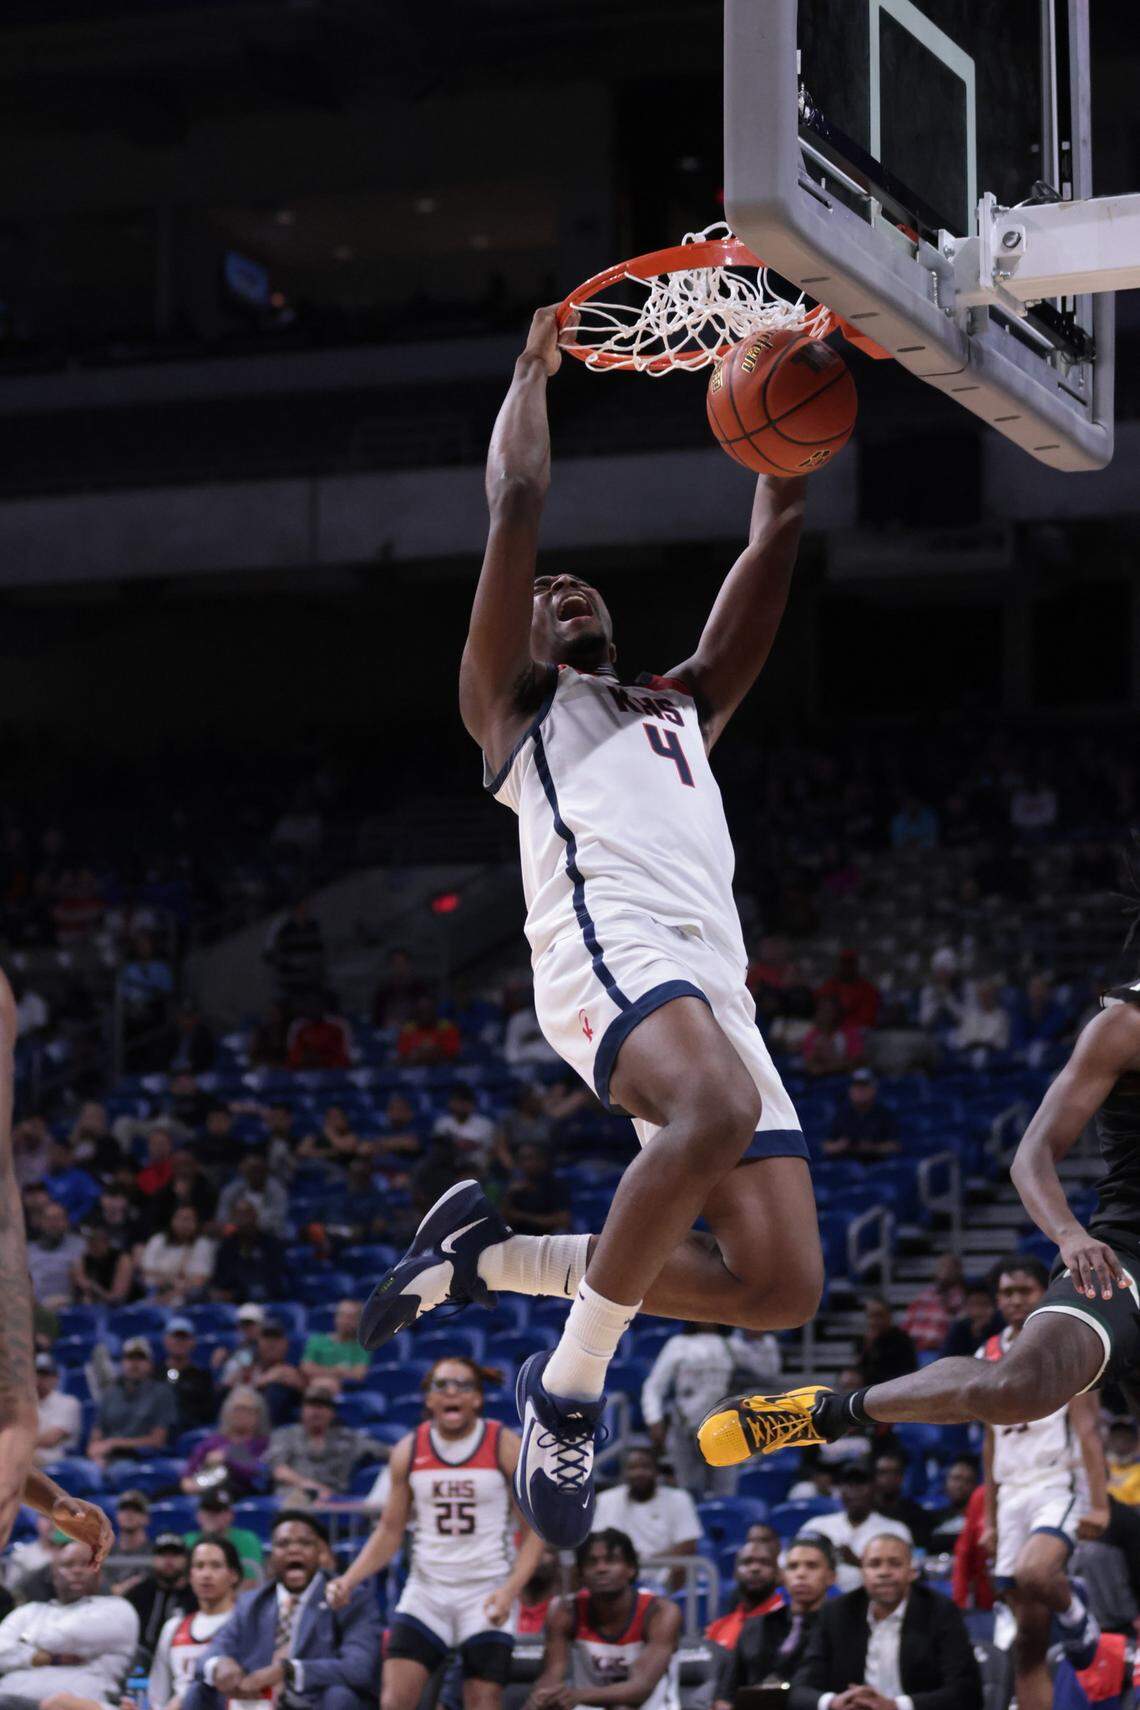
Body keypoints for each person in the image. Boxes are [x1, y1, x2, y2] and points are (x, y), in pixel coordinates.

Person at [361, 306, 822, 1551]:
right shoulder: (514, 707)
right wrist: (529, 369)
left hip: (710, 990)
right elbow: (516, 506)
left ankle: (491, 1258)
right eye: (547, 593)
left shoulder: (679, 703)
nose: (563, 588)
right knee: (713, 1114)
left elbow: (776, 526)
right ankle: (565, 1391)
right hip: (602, 954)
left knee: (780, 1290)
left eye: (582, 585)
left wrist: (816, 363)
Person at [699, 984, 1140, 1592]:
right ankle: (827, 1413)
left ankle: (1087, 1635)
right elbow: (1031, 1154)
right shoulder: (1126, 1022)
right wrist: (1068, 1234)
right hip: (1124, 1261)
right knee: (1016, 1386)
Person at [325, 1355, 544, 1710]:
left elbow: (535, 1531)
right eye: (442, 1385)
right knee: (395, 1700)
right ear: (428, 1399)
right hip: (427, 1592)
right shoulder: (408, 1449)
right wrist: (349, 1579)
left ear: (477, 1398)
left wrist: (510, 1591)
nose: (451, 1391)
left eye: (463, 1385)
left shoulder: (502, 1443)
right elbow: (389, 1531)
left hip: (486, 1589)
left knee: (483, 1701)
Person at [972, 1257, 1107, 1710]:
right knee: (1027, 1641)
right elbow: (990, 1446)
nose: (1013, 1300)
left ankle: (1077, 1614)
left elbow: (1089, 1430)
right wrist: (989, 1520)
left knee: (1035, 1572)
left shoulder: (1071, 1343)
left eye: (1023, 1291)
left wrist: (1100, 1504)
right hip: (1010, 1492)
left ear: (1042, 1293)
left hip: (1057, 1482)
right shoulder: (984, 1355)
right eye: (1005, 1292)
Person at [184, 1512, 381, 1710]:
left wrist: (289, 1671)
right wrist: (219, 1664)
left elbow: (359, 1667)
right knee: (199, 1690)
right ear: (272, 1555)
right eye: (283, 1544)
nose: (294, 1550)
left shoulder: (348, 1598)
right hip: (257, 1699)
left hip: (315, 1700)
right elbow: (211, 1654)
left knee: (340, 1696)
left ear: (319, 1552)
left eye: (305, 1543)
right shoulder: (251, 1602)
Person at [788, 1533, 982, 1710]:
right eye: (874, 1564)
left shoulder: (940, 1612)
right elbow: (799, 1689)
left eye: (895, 1564)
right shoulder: (837, 1613)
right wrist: (833, 1702)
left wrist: (896, 1706)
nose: (884, 1572)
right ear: (862, 1573)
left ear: (912, 1571)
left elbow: (965, 1692)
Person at [525, 1528, 681, 1710]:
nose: (601, 1569)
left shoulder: (660, 1612)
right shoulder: (565, 1612)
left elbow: (640, 1688)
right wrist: (544, 1695)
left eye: (611, 1561)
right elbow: (553, 1672)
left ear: (631, 1568)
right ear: (581, 1573)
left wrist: (575, 1695)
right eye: (592, 1562)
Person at [0, 1540, 138, 1705]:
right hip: (9, 1699)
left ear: (99, 1573)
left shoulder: (117, 1609)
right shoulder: (29, 1611)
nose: (77, 1570)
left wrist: (24, 1641)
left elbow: (69, 1637)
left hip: (79, 1703)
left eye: (86, 1564)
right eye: (68, 1565)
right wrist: (40, 1657)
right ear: (53, 1574)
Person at [716, 1535, 836, 1704]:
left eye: (812, 1566)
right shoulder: (754, 1627)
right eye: (793, 1567)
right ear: (782, 1576)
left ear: (831, 1576)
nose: (801, 1574)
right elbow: (726, 1695)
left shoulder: (840, 1629)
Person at [148, 1536, 243, 1710]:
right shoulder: (174, 1628)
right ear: (190, 1576)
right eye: (199, 1566)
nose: (206, 1574)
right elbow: (159, 1695)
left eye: (216, 1566)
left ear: (233, 1575)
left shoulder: (247, 1625)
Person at [640, 1324, 735, 1498]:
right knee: (687, 1491)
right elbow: (653, 1386)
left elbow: (768, 1371)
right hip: (686, 1424)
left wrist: (762, 1338)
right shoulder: (678, 1344)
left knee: (725, 1492)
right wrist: (654, 1418)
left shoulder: (728, 1344)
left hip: (723, 1428)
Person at [593, 1445, 700, 1594]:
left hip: (665, 1575)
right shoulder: (606, 1500)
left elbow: (688, 1545)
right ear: (625, 1473)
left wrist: (648, 1560)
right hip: (619, 1574)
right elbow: (597, 1542)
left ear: (656, 1472)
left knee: (680, 1569)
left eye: (645, 1467)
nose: (639, 1473)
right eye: (632, 1468)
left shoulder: (679, 1498)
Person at [798, 1463, 911, 1594]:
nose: (855, 1491)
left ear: (874, 1489)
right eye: (849, 1484)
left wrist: (858, 1562)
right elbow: (790, 1565)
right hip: (823, 1602)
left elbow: (906, 1575)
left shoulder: (895, 1530)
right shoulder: (817, 1526)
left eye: (861, 1484)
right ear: (840, 1491)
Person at [267, 1384, 385, 1502]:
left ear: (332, 1412)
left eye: (322, 1406)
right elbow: (279, 1470)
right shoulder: (285, 1435)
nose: (316, 1412)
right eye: (311, 1406)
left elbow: (383, 1450)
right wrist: (311, 1486)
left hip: (334, 1502)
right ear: (302, 1410)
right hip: (292, 1497)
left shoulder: (348, 1438)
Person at [87, 1337, 178, 1466]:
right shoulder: (111, 1393)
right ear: (122, 1362)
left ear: (150, 1364)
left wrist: (114, 1443)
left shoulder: (162, 1393)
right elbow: (97, 1433)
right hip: (104, 1459)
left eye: (140, 1358)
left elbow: (158, 1440)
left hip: (139, 1459)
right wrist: (95, 1452)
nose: (134, 1363)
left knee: (121, 1469)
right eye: (130, 1358)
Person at [180, 1387, 270, 1500]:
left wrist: (228, 1457)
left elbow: (258, 1473)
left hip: (242, 1493)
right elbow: (189, 1474)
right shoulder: (212, 1442)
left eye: (247, 1410)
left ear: (258, 1415)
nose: (242, 1414)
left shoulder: (263, 1444)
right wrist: (190, 1485)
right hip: (204, 1489)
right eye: (237, 1409)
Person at [125, 1532, 195, 1667]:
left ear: (186, 1560)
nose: (168, 1561)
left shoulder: (195, 1595)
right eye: (163, 1555)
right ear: (154, 1559)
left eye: (175, 1555)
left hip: (183, 1658)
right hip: (142, 1661)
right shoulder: (138, 1593)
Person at [705, 1536, 784, 1649]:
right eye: (747, 1562)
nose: (755, 1568)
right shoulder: (717, 1629)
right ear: (735, 1574)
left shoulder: (791, 1624)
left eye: (764, 1563)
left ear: (778, 1574)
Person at [184, 1486, 264, 1584]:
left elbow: (251, 1582)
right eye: (207, 1510)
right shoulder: (187, 1540)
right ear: (198, 1515)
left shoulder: (246, 1540)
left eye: (217, 1511)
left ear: (230, 1515)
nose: (211, 1515)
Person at [141, 1206, 216, 1305]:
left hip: (186, 1298)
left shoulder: (203, 1245)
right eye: (180, 1218)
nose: (184, 1224)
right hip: (153, 1292)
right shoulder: (158, 1240)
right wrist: (172, 1279)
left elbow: (199, 1280)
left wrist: (171, 1291)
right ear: (172, 1220)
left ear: (196, 1223)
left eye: (189, 1220)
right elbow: (147, 1272)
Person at [823, 1071, 899, 1163]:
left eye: (864, 1087)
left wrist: (872, 1148)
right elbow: (827, 1146)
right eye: (856, 1087)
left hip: (877, 1162)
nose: (860, 1091)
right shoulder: (841, 1114)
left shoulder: (884, 1113)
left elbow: (895, 1146)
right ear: (850, 1090)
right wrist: (841, 1145)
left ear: (873, 1090)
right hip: (846, 1161)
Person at [501, 1143, 571, 1236]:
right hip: (521, 1238)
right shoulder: (515, 1187)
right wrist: (509, 1195)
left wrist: (524, 1217)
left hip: (549, 1238)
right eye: (521, 1159)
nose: (525, 1164)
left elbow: (563, 1221)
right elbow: (502, 1222)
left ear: (542, 1161)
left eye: (529, 1158)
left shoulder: (556, 1185)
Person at [300, 1299, 370, 1391]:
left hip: (343, 1389)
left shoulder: (361, 1347)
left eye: (351, 1317)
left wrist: (320, 1371)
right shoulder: (317, 1340)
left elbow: (358, 1375)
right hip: (312, 1385)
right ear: (336, 1318)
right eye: (342, 1315)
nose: (345, 1321)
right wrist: (337, 1371)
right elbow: (306, 1368)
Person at [160, 1318, 217, 1431]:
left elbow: (208, 1414)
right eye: (175, 1337)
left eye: (184, 1338)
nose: (179, 1342)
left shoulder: (202, 1376)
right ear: (166, 1340)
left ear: (193, 1342)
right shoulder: (154, 1374)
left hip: (190, 1434)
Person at [900, 1254, 966, 1353]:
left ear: (958, 1271)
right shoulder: (924, 1295)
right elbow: (907, 1323)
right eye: (941, 1266)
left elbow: (958, 1329)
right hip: (913, 1349)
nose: (945, 1271)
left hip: (940, 1352)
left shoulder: (961, 1297)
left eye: (949, 1267)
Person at [27, 1199, 85, 1310]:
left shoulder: (79, 1246)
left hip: (70, 1308)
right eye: (49, 1219)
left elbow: (83, 1282)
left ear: (67, 1222)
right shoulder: (27, 1250)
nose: (53, 1224)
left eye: (58, 1219)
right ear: (41, 1222)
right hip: (35, 1310)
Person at [870, 1447, 931, 1550]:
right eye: (883, 1472)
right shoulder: (866, 1512)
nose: (889, 1478)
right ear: (875, 1477)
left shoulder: (917, 1514)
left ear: (902, 1476)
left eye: (894, 1472)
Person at [924, 1456, 980, 1557]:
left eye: (967, 1480)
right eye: (956, 1479)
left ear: (976, 1486)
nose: (960, 1485)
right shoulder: (932, 1519)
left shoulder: (980, 1520)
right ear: (946, 1482)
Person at [33, 1355, 81, 1465]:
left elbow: (50, 1440)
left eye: (45, 1374)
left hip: (57, 1457)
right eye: (36, 1374)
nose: (39, 1379)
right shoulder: (25, 1404)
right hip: (28, 1452)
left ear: (56, 1378)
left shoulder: (68, 1402)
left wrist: (16, 1440)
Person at [815, 951, 880, 1031]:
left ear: (856, 966)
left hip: (857, 1031)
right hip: (830, 1030)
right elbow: (819, 1010)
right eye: (844, 963)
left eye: (850, 964)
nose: (846, 967)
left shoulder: (868, 990)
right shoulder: (829, 986)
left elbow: (867, 1019)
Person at [860, 1299, 917, 1388]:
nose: (875, 1321)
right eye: (871, 1316)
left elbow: (905, 1374)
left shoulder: (902, 1340)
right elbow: (861, 1371)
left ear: (889, 1316)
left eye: (879, 1315)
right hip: (868, 1391)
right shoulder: (864, 1340)